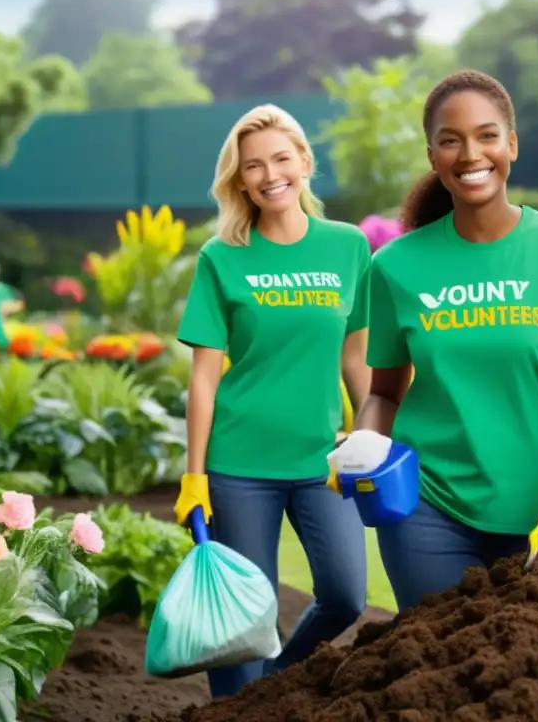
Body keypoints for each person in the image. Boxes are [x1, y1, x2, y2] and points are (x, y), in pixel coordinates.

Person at [329, 70, 538, 612]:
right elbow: (384, 394)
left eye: (487, 135)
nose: (471, 153)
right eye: (451, 140)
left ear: (511, 144)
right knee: (435, 667)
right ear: (433, 155)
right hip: (429, 505)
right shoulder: (395, 265)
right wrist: (362, 447)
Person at [173, 104, 370, 697]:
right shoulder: (222, 257)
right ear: (239, 180)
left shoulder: (348, 247)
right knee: (240, 618)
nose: (269, 174)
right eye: (252, 166)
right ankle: (238, 705)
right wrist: (194, 476)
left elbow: (356, 360)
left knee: (345, 594)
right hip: (238, 466)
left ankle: (275, 683)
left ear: (305, 162)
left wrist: (373, 441)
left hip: (321, 463)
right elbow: (204, 377)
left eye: (281, 158)